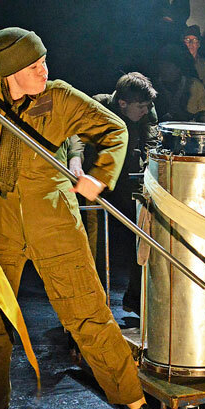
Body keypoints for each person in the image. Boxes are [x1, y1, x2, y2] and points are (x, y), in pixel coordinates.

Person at [0, 27, 152, 409]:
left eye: (43, 61)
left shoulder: (59, 97)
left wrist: (100, 175)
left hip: (54, 221)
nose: (44, 69)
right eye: (35, 64)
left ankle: (133, 401)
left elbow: (113, 129)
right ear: (11, 72)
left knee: (87, 315)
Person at [70, 72, 158, 315]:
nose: (145, 110)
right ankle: (94, 303)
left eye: (147, 105)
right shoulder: (97, 104)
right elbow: (76, 135)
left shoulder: (147, 111)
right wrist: (75, 159)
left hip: (129, 178)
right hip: (98, 178)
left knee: (142, 238)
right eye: (140, 106)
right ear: (122, 103)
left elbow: (151, 144)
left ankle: (136, 299)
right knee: (94, 243)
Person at [155, 44, 205, 122]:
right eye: (161, 65)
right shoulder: (154, 86)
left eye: (168, 66)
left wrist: (202, 117)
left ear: (178, 68)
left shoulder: (194, 85)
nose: (163, 69)